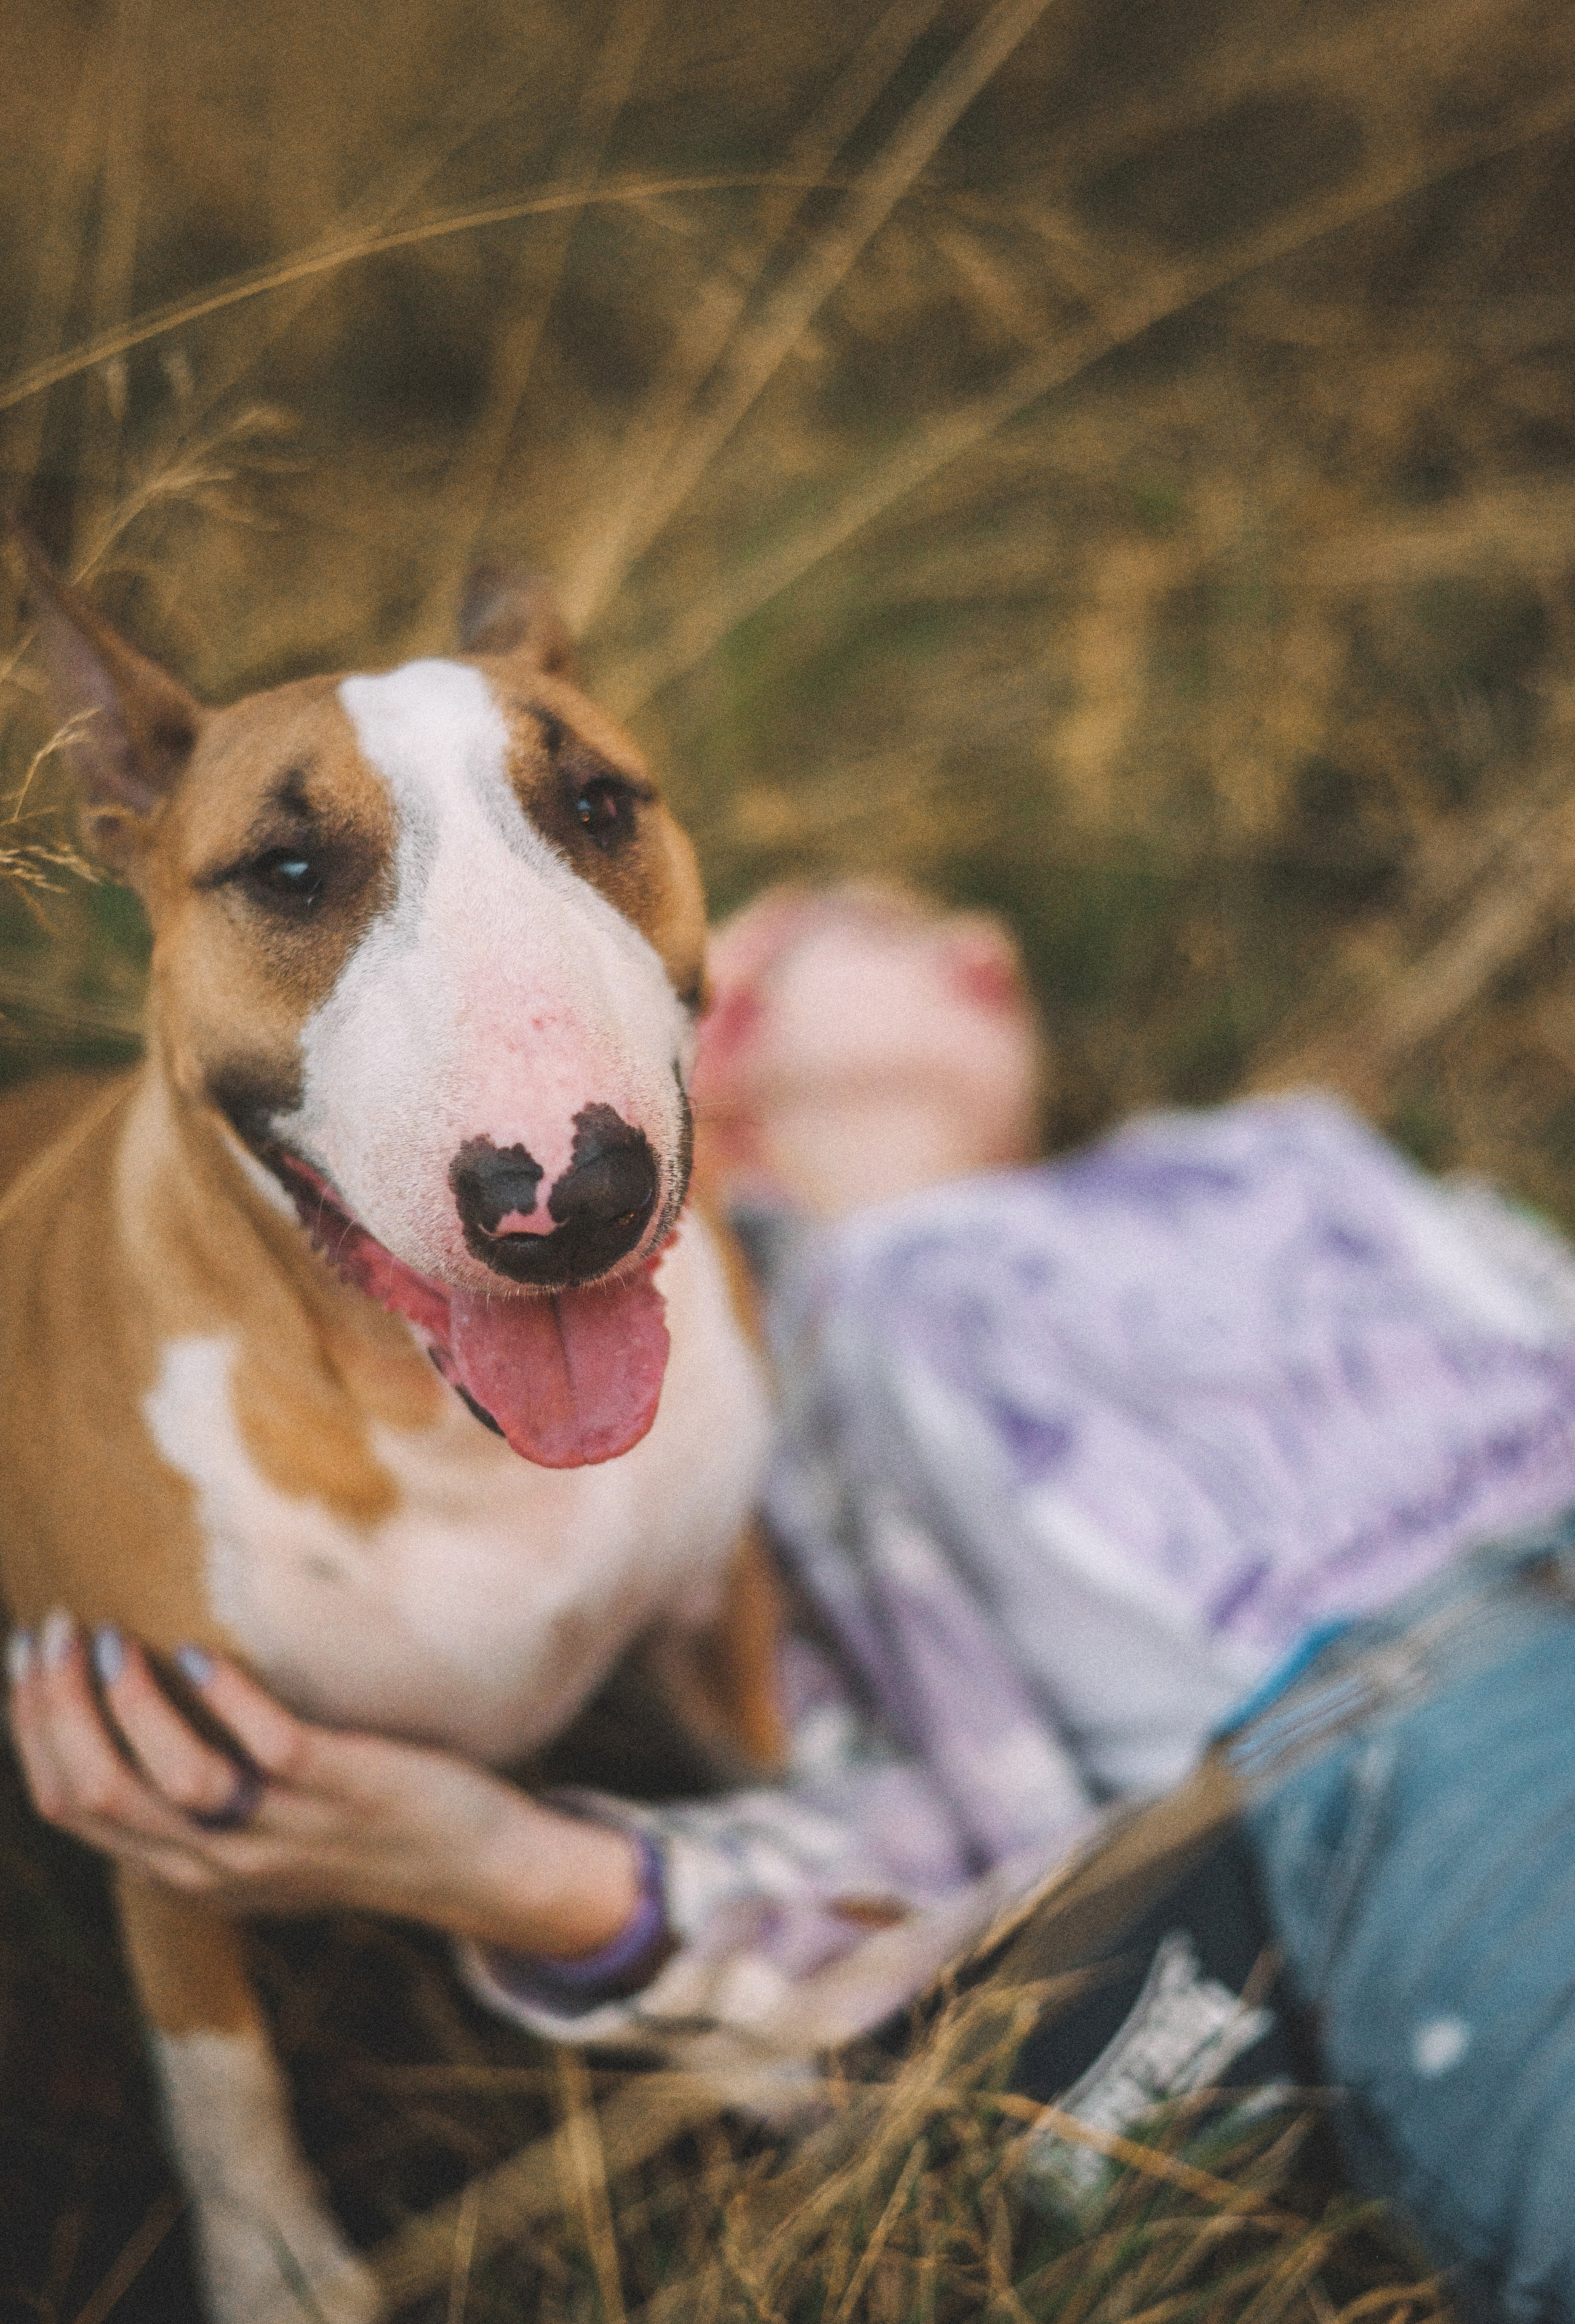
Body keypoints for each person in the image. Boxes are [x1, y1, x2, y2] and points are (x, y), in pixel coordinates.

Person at [14, 879, 1575, 2309]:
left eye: (899, 914)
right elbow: (907, 1876)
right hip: (1417, 1723)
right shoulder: (758, 1393)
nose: (968, 935)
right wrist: (505, 1865)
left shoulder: (1280, 1154)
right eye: (807, 922)